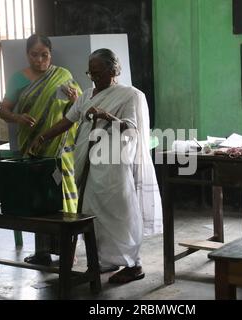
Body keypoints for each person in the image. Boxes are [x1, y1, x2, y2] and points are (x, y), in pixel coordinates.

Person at [29, 48, 163, 284]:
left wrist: (107, 116)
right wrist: (42, 137)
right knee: (93, 214)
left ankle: (135, 264)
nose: (94, 77)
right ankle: (106, 260)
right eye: (90, 73)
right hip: (89, 165)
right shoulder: (86, 95)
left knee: (119, 213)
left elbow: (132, 129)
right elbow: (67, 120)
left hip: (113, 165)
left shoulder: (130, 95)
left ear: (114, 71)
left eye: (99, 72)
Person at [0, 34, 81, 265]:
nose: (39, 60)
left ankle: (69, 250)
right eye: (34, 55)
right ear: (27, 55)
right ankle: (42, 251)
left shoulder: (63, 76)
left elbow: (79, 111)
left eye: (44, 54)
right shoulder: (18, 79)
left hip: (60, 147)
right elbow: (3, 111)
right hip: (32, 148)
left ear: (50, 54)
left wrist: (75, 100)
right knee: (39, 198)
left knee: (64, 195)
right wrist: (18, 117)